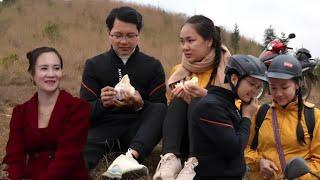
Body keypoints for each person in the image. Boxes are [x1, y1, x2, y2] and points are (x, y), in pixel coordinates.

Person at [80, 6, 167, 178]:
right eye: (118, 35)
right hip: (102, 130)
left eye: (130, 35)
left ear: (138, 35)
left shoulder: (153, 66)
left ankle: (129, 158)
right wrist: (102, 103)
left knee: (161, 109)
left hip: (137, 132)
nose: (124, 41)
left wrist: (139, 104)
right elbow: (83, 111)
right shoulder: (94, 64)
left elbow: (159, 109)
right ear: (109, 34)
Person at [153, 15, 231, 180]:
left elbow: (235, 110)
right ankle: (170, 158)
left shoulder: (228, 70)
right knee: (179, 100)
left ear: (209, 41)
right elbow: (173, 114)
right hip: (185, 137)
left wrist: (204, 96)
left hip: (213, 139)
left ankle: (196, 162)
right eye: (182, 42)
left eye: (190, 41)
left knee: (200, 101)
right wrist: (176, 96)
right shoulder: (179, 70)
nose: (185, 47)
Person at [2, 47, 90, 179]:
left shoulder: (78, 108)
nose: (51, 74)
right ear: (32, 74)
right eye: (44, 68)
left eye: (56, 68)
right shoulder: (20, 112)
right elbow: (14, 156)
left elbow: (68, 155)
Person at [191, 55, 267, 179]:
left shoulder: (228, 103)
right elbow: (235, 148)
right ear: (234, 78)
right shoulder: (211, 106)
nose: (255, 91)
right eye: (252, 84)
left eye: (258, 87)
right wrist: (246, 116)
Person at [245, 54, 320, 180]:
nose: (278, 93)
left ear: (298, 84)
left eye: (284, 87)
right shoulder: (260, 113)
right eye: (273, 87)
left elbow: (318, 162)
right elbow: (245, 149)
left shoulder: (314, 116)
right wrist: (259, 162)